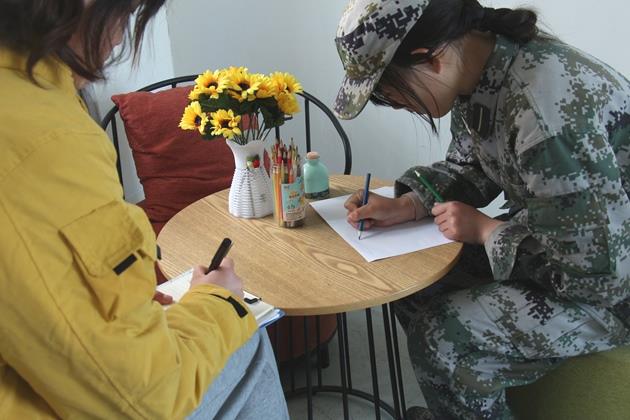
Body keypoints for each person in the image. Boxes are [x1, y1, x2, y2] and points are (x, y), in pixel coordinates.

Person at [334, 0, 630, 418]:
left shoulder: (544, 113)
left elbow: (595, 276)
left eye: (389, 92)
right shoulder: (482, 68)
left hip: (613, 282)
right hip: (567, 243)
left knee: (443, 338)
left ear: (430, 59)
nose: (396, 103)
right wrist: (409, 204)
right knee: (415, 282)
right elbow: (475, 163)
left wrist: (489, 232)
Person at [0, 1, 289, 419]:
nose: (120, 37)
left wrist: (123, 303)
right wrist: (220, 300)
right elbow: (145, 397)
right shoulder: (46, 141)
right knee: (244, 335)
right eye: (125, 12)